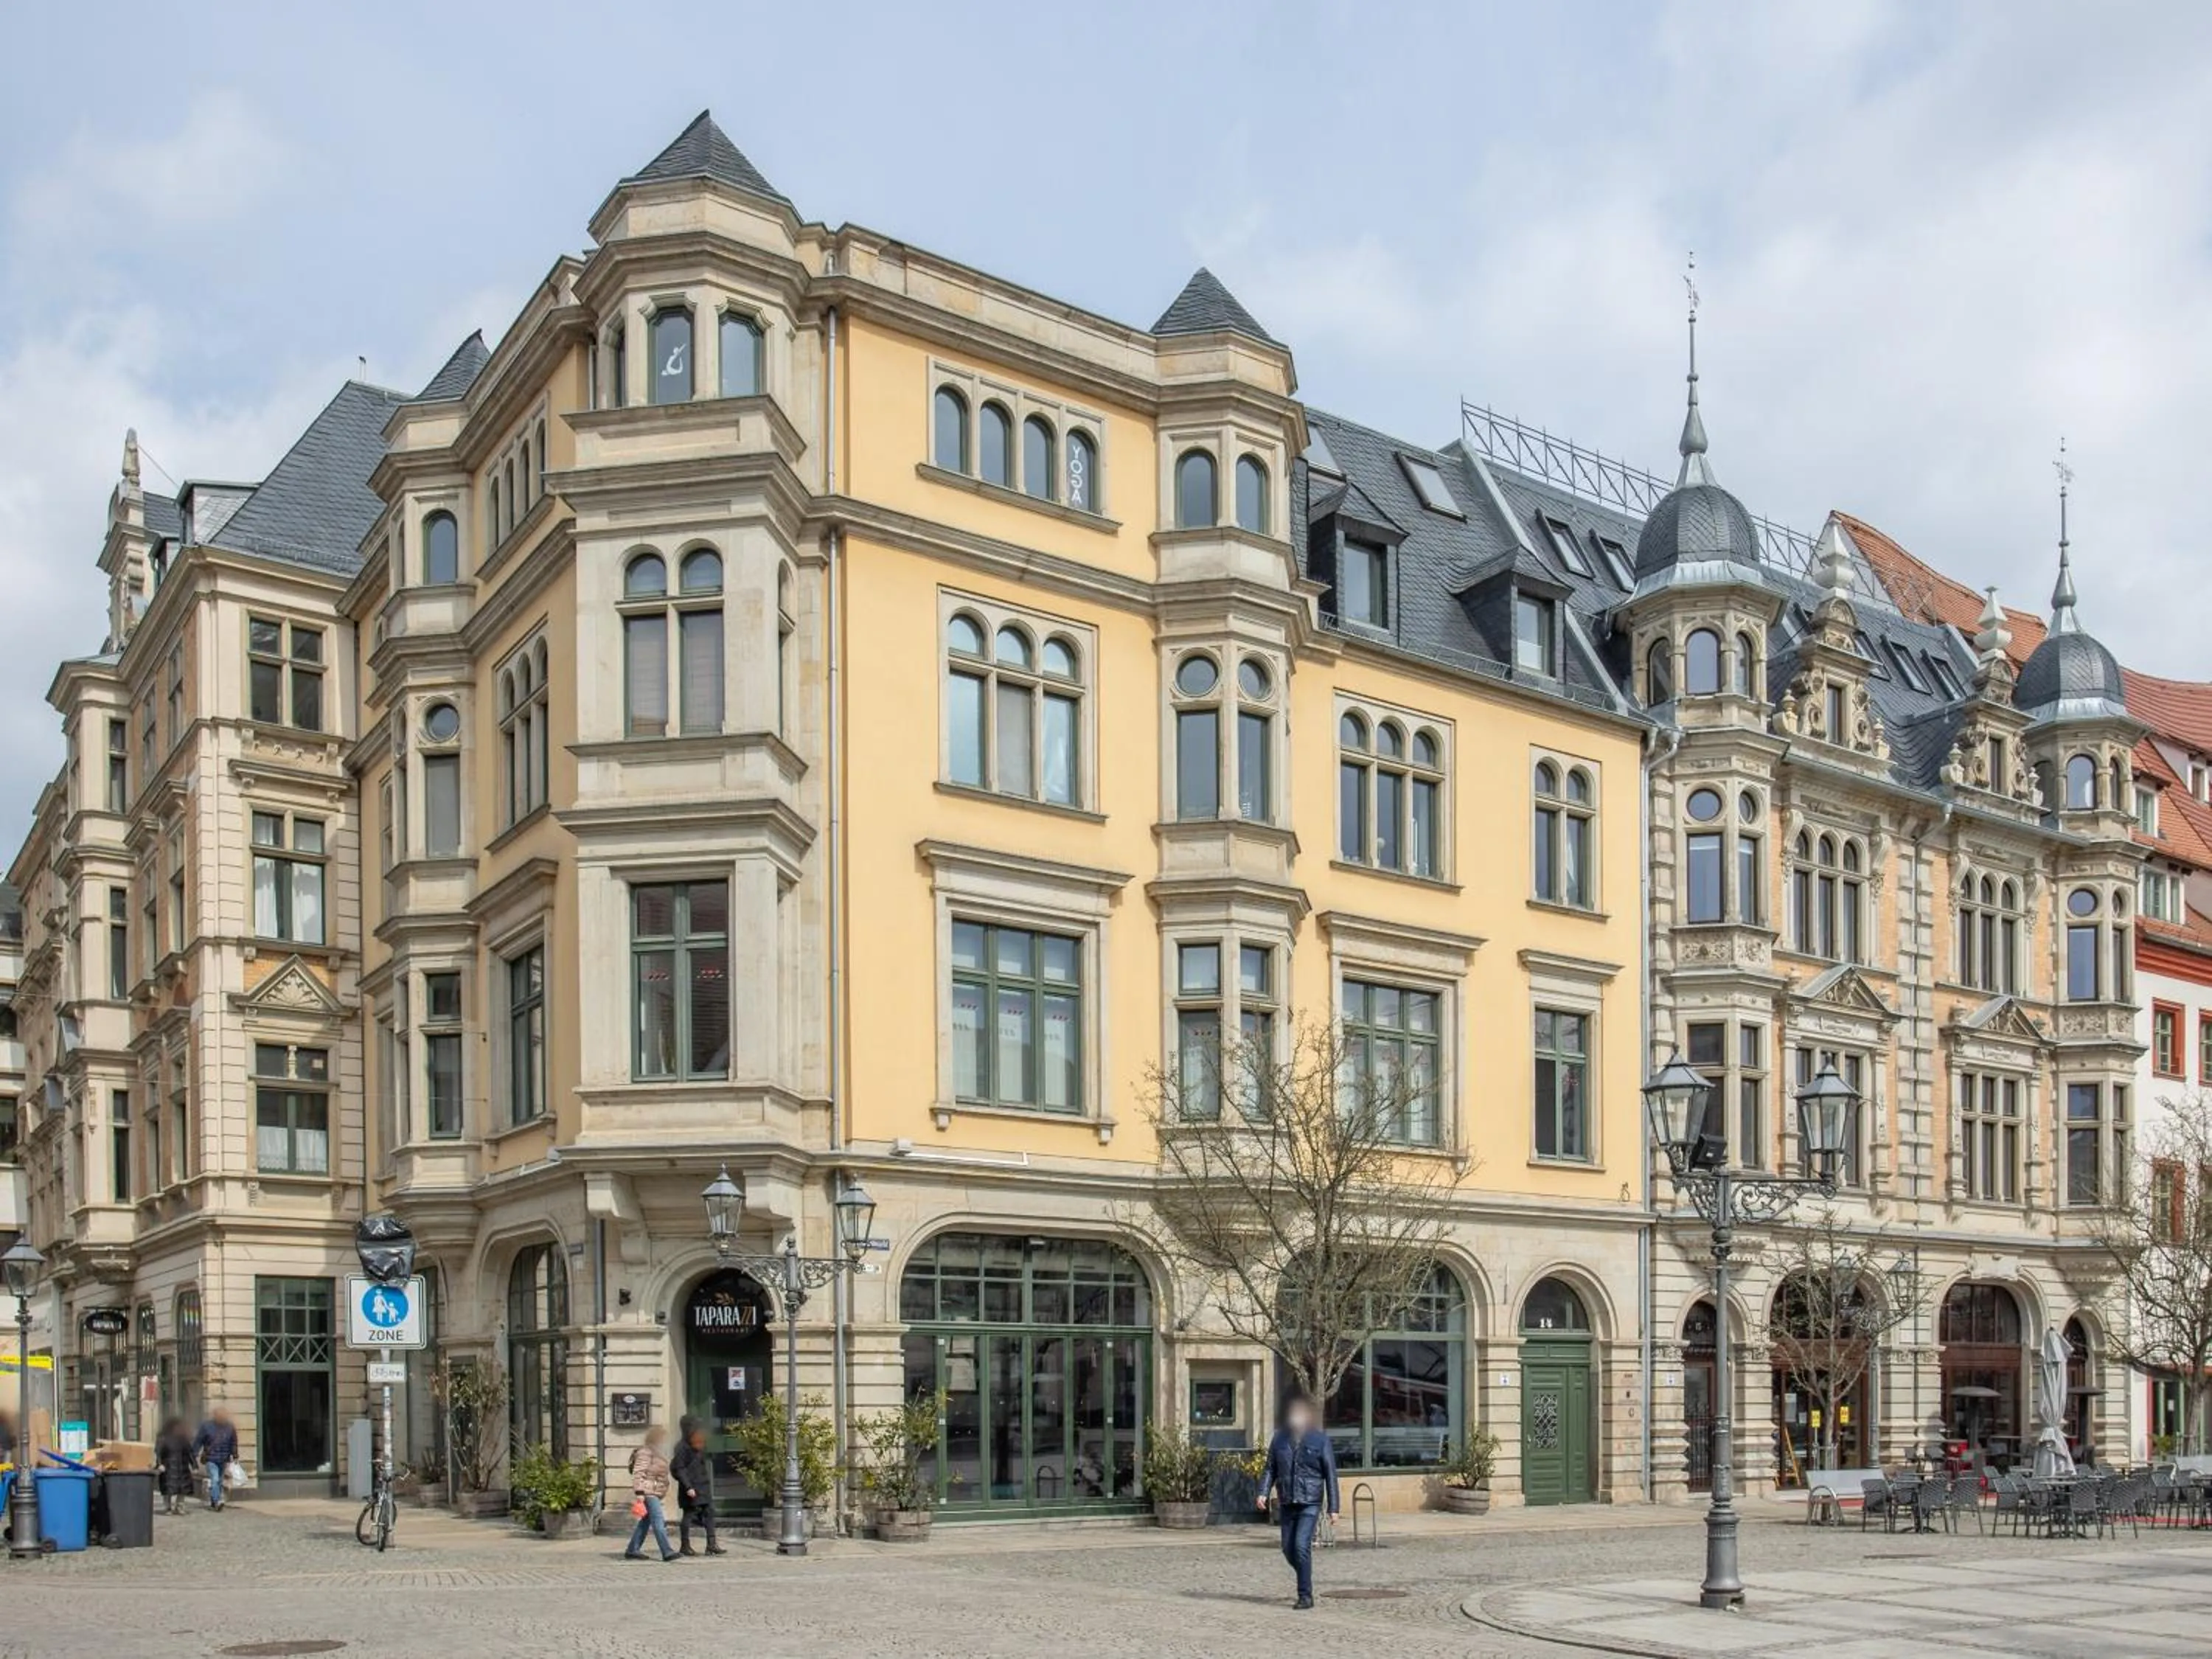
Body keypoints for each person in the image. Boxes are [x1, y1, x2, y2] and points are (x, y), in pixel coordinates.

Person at [1256, 1394, 1340, 1610]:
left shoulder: (1320, 1440)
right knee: (1288, 1548)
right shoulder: (1280, 1438)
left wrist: (1334, 1508)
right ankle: (1305, 1574)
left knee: (1301, 1546)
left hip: (1310, 1502)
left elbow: (1330, 1474)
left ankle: (1305, 1595)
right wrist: (1263, 1492)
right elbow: (1270, 1468)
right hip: (1287, 1500)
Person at [624, 1424, 679, 1562]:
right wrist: (639, 1492)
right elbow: (639, 1473)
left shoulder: (656, 1452)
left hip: (653, 1491)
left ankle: (632, 1550)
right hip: (648, 1492)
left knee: (645, 1522)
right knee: (658, 1521)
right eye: (663, 1438)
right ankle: (667, 1551)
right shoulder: (646, 1452)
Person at [669, 1416, 723, 1557]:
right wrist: (688, 1487)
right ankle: (685, 1546)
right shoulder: (681, 1447)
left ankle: (711, 1545)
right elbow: (680, 1469)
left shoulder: (697, 1444)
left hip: (703, 1486)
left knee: (709, 1513)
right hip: (691, 1488)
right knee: (689, 1515)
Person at [191, 1408, 239, 1513]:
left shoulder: (230, 1427)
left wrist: (234, 1455)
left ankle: (214, 1500)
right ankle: (217, 1501)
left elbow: (233, 1442)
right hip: (211, 1458)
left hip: (224, 1458)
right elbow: (199, 1441)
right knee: (215, 1479)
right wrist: (194, 1455)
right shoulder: (206, 1426)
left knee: (220, 1481)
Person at [155, 1417, 196, 1515]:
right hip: (169, 1467)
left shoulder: (183, 1438)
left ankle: (179, 1506)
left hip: (182, 1467)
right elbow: (158, 1452)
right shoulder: (163, 1437)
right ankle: (168, 1507)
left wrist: (194, 1465)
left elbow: (189, 1452)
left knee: (182, 1489)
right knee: (168, 1488)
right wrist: (160, 1464)